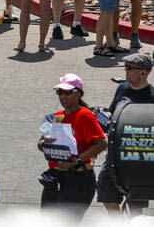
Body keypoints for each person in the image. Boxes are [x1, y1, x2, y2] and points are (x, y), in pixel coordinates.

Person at [96, 54, 154, 214]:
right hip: (114, 153)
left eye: (130, 68)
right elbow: (112, 113)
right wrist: (103, 116)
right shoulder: (122, 88)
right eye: (126, 67)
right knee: (106, 195)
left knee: (136, 207)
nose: (126, 71)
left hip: (136, 159)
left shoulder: (153, 97)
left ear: (143, 73)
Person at [37, 74, 106, 218]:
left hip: (78, 178)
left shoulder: (85, 116)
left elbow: (101, 143)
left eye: (67, 92)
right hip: (56, 176)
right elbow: (40, 143)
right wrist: (45, 144)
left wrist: (77, 160)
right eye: (59, 92)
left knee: (67, 226)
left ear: (79, 93)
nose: (63, 96)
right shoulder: (58, 116)